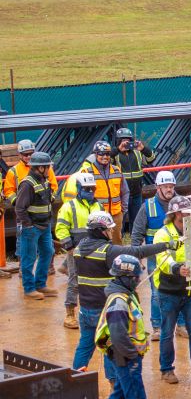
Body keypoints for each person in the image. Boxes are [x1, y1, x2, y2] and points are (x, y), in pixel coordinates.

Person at [73, 211, 172, 374]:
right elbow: (138, 252)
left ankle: (74, 377)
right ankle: (113, 384)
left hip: (85, 308)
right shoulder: (107, 251)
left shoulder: (79, 249)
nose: (113, 232)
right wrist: (166, 245)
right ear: (101, 230)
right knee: (110, 348)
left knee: (84, 346)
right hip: (104, 309)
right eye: (110, 229)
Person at [95, 254, 153, 399]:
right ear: (126, 278)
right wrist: (132, 356)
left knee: (119, 397)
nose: (138, 280)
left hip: (124, 357)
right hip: (126, 358)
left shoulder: (123, 296)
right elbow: (119, 334)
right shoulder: (119, 301)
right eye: (136, 277)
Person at [153, 196, 191, 386]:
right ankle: (166, 369)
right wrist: (177, 268)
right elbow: (162, 258)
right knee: (167, 332)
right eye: (186, 212)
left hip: (190, 291)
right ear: (177, 214)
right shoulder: (163, 234)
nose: (190, 215)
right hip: (169, 291)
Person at [130, 170, 179, 337]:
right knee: (157, 292)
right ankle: (157, 327)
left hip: (178, 255)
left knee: (183, 290)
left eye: (171, 186)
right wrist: (136, 258)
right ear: (158, 188)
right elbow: (137, 233)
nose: (169, 189)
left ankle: (182, 325)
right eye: (165, 186)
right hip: (154, 256)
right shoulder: (147, 207)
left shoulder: (181, 204)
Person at [55, 172, 102, 328]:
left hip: (96, 250)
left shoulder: (98, 205)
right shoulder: (69, 207)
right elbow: (61, 228)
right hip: (76, 250)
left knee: (95, 281)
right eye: (86, 189)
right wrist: (69, 246)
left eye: (92, 189)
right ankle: (70, 314)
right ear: (78, 189)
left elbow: (105, 226)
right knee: (74, 281)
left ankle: (95, 312)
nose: (90, 192)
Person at [3, 139, 57, 261]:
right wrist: (17, 201)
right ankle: (24, 269)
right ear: (19, 155)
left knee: (47, 247)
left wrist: (49, 199)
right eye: (25, 154)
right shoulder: (14, 172)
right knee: (23, 245)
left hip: (42, 215)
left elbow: (53, 186)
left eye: (30, 153)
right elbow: (8, 190)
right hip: (24, 214)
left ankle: (49, 267)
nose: (28, 156)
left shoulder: (46, 168)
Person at [15, 152, 56, 301]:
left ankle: (40, 284)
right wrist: (29, 226)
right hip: (31, 228)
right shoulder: (27, 184)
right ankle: (29, 288)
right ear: (40, 167)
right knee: (29, 257)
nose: (49, 169)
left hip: (44, 225)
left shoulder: (44, 180)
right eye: (48, 167)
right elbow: (19, 208)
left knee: (47, 252)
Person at [80, 141, 128, 243]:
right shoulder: (87, 172)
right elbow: (82, 195)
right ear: (96, 154)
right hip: (98, 216)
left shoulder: (117, 170)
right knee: (98, 242)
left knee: (117, 241)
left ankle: (117, 259)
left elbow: (125, 191)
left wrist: (123, 210)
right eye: (101, 154)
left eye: (107, 154)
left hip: (116, 214)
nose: (105, 157)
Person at [113, 127, 155, 235]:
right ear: (118, 141)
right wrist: (118, 149)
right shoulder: (115, 154)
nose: (126, 143)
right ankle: (119, 239)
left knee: (137, 219)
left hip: (137, 193)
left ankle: (135, 239)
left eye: (128, 140)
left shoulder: (137, 153)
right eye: (123, 140)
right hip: (121, 194)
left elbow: (151, 158)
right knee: (120, 219)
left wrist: (143, 148)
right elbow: (107, 158)